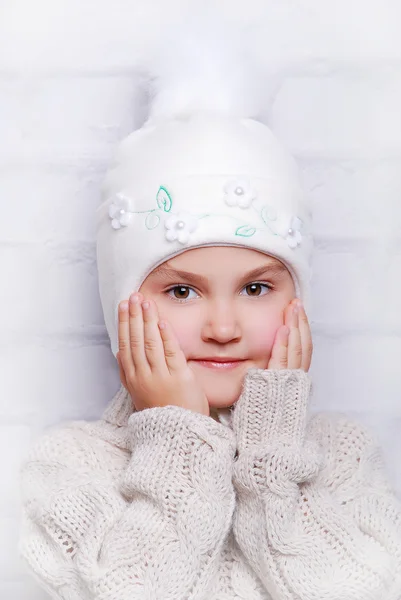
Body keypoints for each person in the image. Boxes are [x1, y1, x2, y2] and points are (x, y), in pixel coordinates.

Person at [18, 15, 401, 600]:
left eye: (256, 289)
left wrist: (271, 457)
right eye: (181, 291)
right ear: (122, 307)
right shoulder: (68, 467)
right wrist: (181, 441)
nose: (223, 328)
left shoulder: (344, 459)